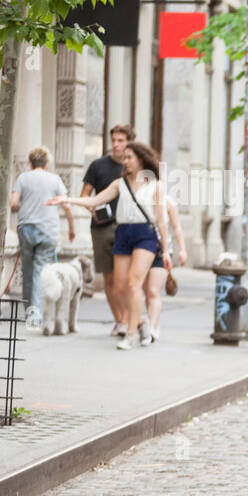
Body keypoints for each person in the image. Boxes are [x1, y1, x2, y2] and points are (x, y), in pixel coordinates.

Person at [52, 141, 170, 350]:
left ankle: (131, 333)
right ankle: (139, 321)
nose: (125, 161)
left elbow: (161, 220)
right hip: (123, 232)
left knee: (134, 283)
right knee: (119, 285)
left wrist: (166, 250)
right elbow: (94, 201)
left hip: (145, 233)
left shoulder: (155, 185)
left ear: (141, 159)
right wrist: (67, 199)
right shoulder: (120, 183)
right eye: (124, 157)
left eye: (129, 157)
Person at [10, 146, 73, 329]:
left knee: (28, 271)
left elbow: (14, 203)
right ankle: (36, 314)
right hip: (48, 230)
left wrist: (20, 206)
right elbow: (66, 205)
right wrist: (71, 227)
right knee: (41, 271)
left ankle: (30, 311)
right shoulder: (55, 179)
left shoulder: (23, 178)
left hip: (26, 229)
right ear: (47, 163)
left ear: (30, 163)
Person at [81, 124, 134, 336]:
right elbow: (85, 194)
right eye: (114, 140)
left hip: (127, 227)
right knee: (109, 279)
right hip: (101, 227)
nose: (116, 144)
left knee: (128, 278)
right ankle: (120, 321)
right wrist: (91, 208)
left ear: (129, 142)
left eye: (121, 140)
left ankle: (131, 319)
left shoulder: (134, 167)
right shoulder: (98, 165)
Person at [144, 195, 187, 342]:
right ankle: (151, 322)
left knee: (153, 291)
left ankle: (151, 328)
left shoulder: (168, 202)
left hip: (162, 251)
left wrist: (182, 249)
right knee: (145, 291)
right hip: (141, 249)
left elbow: (176, 227)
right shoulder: (140, 198)